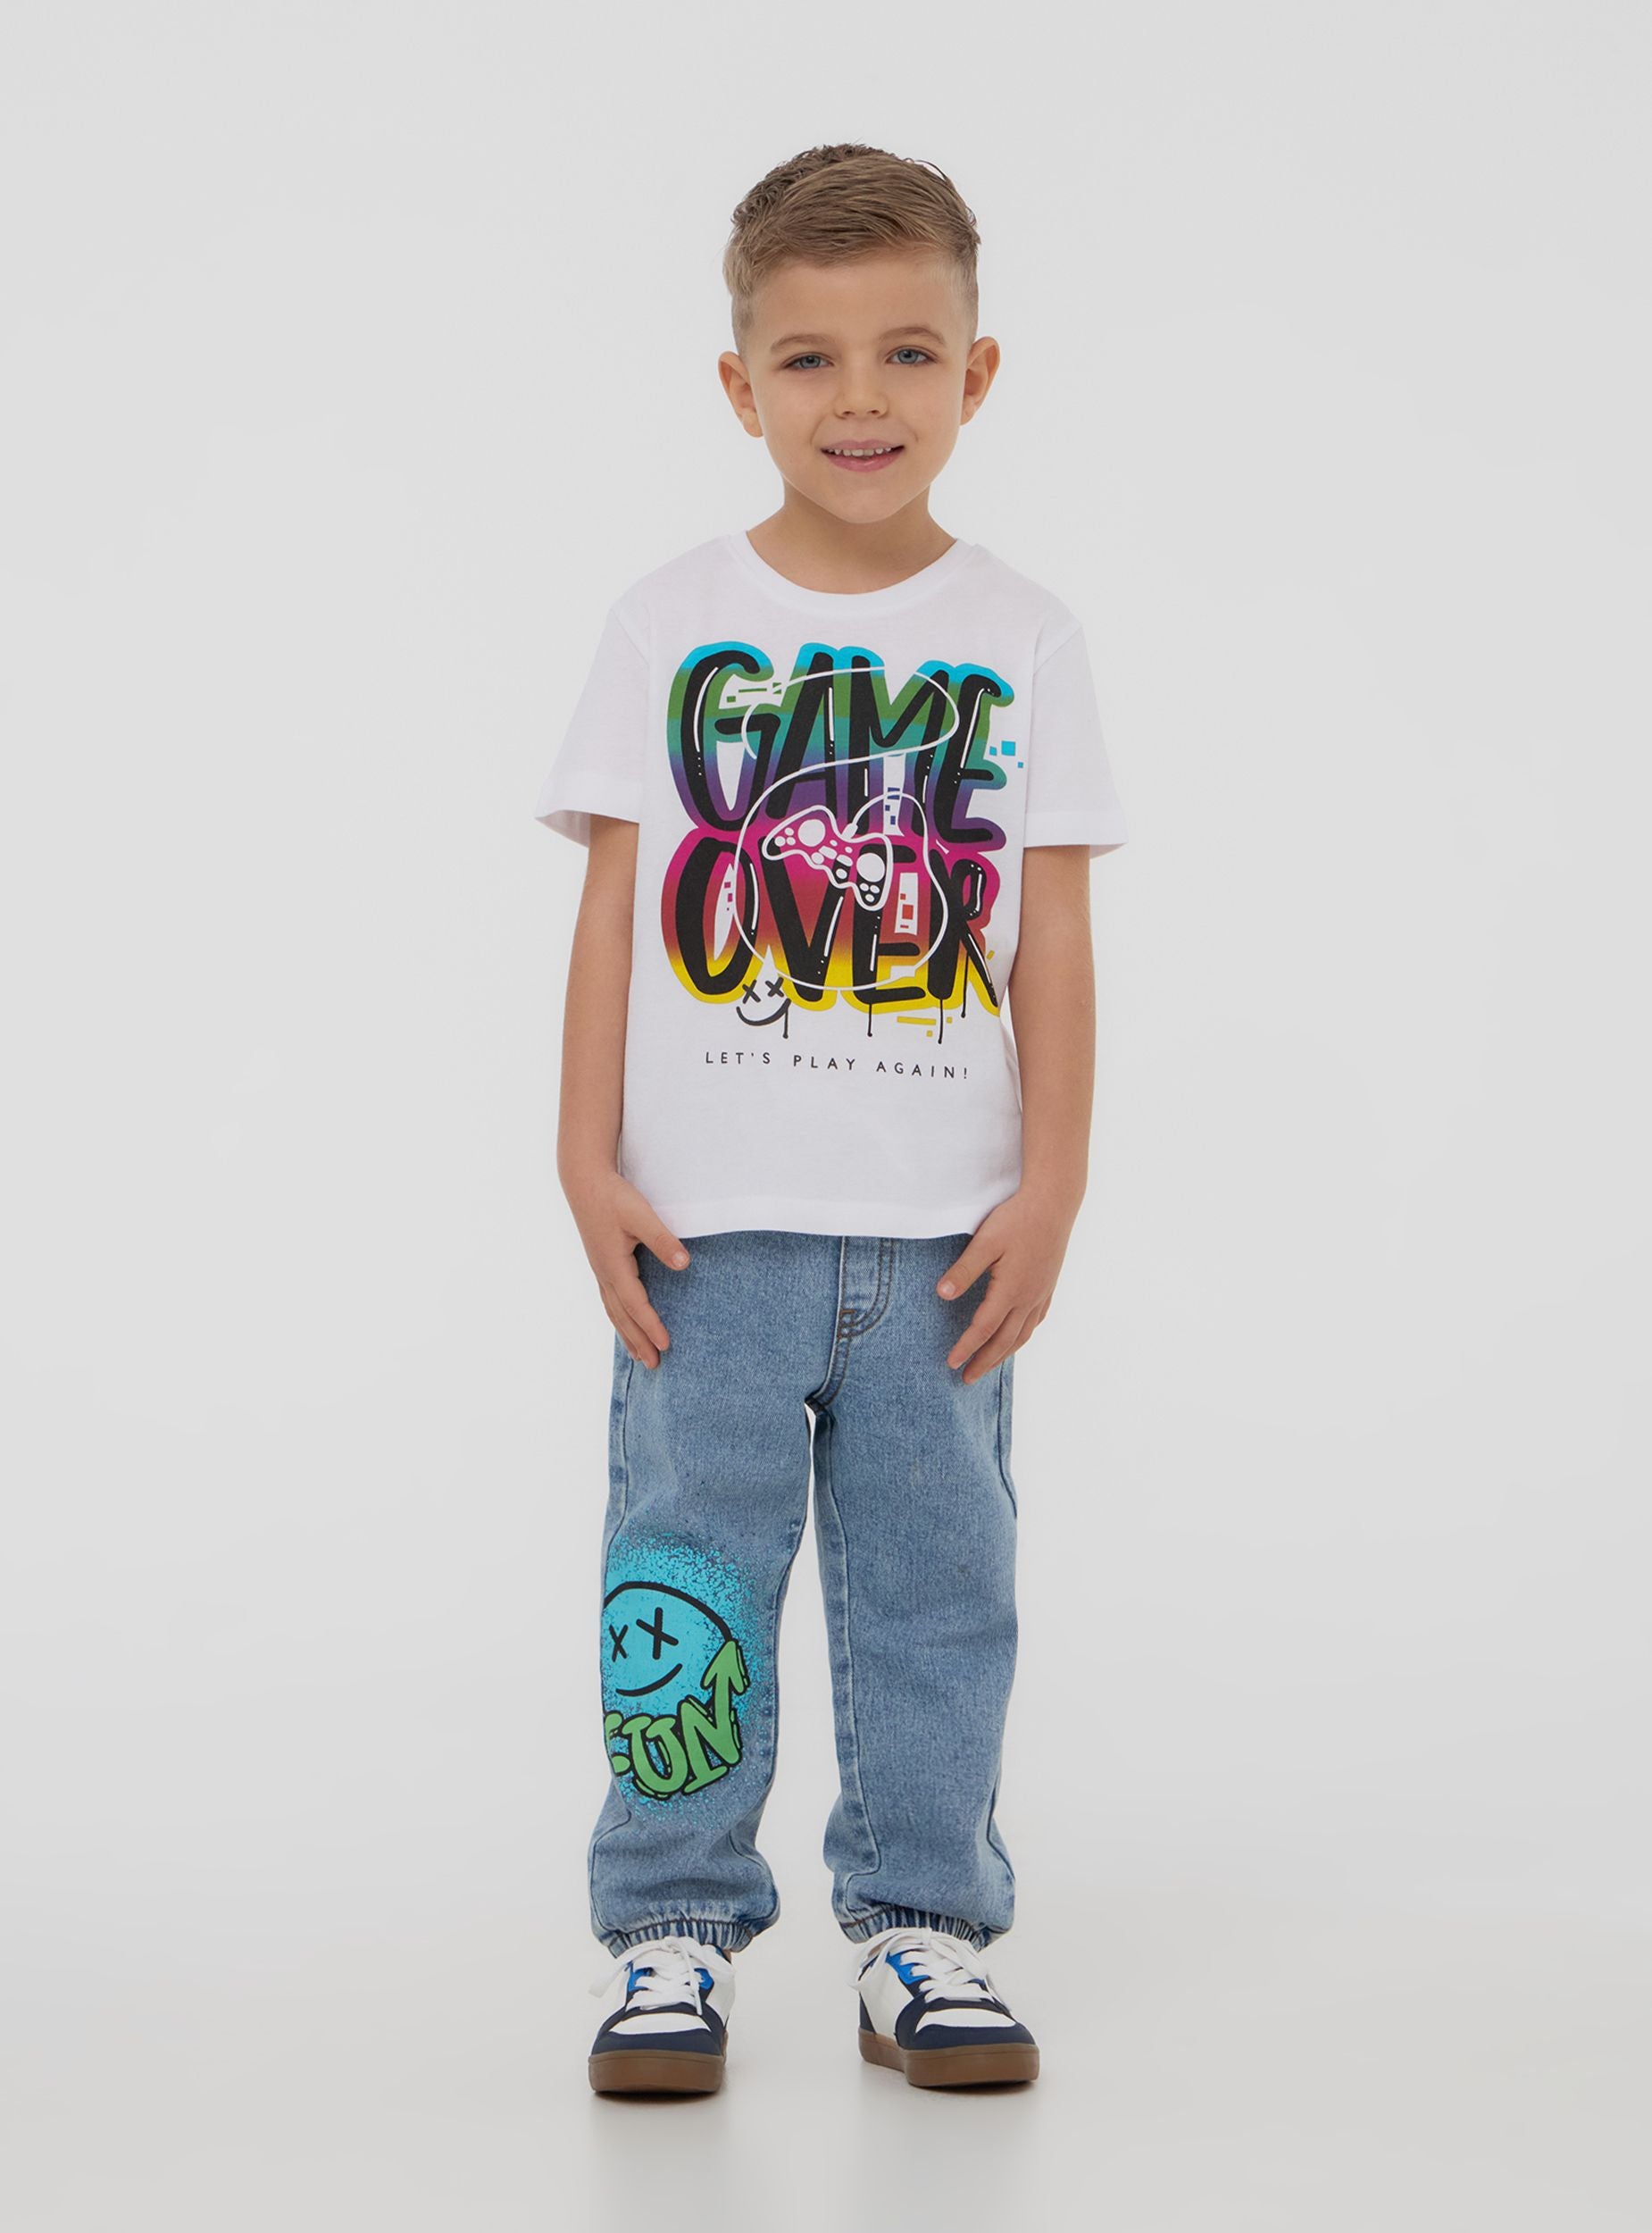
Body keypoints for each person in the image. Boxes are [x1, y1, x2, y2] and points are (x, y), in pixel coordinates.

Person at [533, 143, 1130, 2096]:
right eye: (807, 358)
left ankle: (921, 1924)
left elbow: (1050, 937)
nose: (858, 398)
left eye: (906, 352)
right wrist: (581, 1159)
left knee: (940, 1585)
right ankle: (671, 1931)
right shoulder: (668, 620)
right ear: (739, 386)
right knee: (684, 1575)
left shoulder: (1024, 635)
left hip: (944, 1236)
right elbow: (615, 904)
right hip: (701, 1232)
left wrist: (1054, 1182)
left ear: (978, 373)